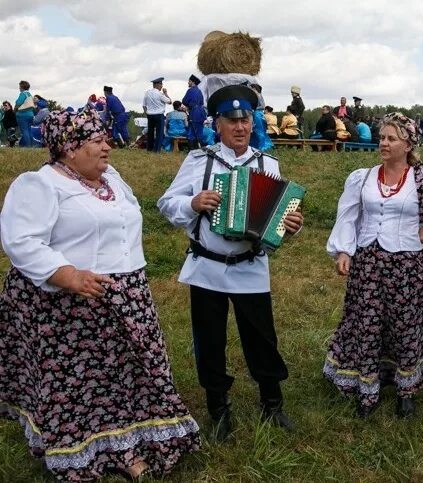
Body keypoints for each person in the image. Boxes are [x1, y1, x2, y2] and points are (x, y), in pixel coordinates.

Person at [0, 109, 200, 481]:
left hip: (127, 297)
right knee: (87, 386)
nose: (108, 146)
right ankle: (93, 452)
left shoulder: (113, 179)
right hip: (70, 305)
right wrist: (67, 274)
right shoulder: (41, 184)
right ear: (69, 149)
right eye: (97, 141)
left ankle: (134, 443)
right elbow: (21, 239)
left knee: (136, 374)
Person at [157, 84, 304, 441]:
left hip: (250, 266)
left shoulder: (267, 162)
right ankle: (218, 407)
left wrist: (291, 224)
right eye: (232, 120)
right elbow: (166, 204)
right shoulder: (199, 161)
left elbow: (279, 217)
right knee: (210, 339)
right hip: (207, 267)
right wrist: (192, 204)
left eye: (246, 120)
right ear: (217, 124)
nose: (240, 127)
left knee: (262, 338)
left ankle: (272, 403)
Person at [324, 112, 423, 419]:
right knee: (368, 323)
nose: (384, 143)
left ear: (408, 144)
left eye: (391, 138)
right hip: (369, 264)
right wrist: (345, 251)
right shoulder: (363, 177)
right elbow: (347, 215)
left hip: (406, 264)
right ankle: (368, 389)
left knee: (405, 324)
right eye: (382, 137)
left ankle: (406, 390)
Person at [142, 77, 171, 152]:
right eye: (161, 84)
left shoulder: (147, 93)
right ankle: (157, 150)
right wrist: (165, 93)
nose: (162, 86)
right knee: (159, 133)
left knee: (150, 132)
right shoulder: (160, 94)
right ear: (157, 84)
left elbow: (144, 105)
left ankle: (149, 148)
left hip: (150, 115)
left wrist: (146, 114)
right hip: (159, 115)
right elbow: (170, 102)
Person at [182, 74, 207, 149]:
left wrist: (188, 106)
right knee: (199, 132)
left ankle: (192, 150)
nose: (188, 82)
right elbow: (202, 102)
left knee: (191, 132)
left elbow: (184, 101)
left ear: (193, 82)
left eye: (189, 81)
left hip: (194, 112)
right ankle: (200, 149)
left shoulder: (190, 90)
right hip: (201, 112)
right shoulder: (199, 91)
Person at [15, 80, 34, 147]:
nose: (19, 88)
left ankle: (27, 146)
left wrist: (15, 109)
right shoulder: (29, 95)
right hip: (30, 114)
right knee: (29, 130)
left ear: (22, 87)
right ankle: (31, 146)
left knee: (24, 131)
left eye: (20, 86)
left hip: (23, 115)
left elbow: (18, 103)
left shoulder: (23, 94)